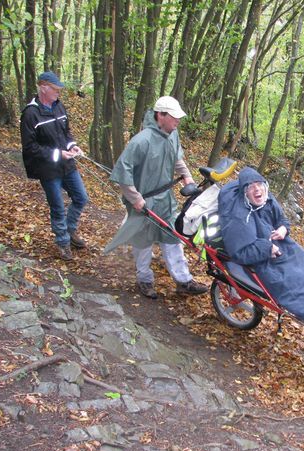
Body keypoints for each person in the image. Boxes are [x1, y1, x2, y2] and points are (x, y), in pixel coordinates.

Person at [218, 167, 304, 346]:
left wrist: (284, 229)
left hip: (287, 248)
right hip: (266, 262)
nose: (257, 190)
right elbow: (240, 253)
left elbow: (282, 220)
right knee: (299, 292)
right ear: (245, 192)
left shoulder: (267, 200)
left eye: (259, 184)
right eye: (251, 187)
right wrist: (267, 248)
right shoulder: (238, 217)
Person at [104, 96, 208, 298]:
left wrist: (187, 177)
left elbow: (177, 159)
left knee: (172, 237)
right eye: (174, 117)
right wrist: (135, 199)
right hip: (144, 202)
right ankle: (144, 279)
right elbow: (123, 175)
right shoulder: (141, 141)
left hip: (165, 199)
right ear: (160, 115)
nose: (178, 121)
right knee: (143, 241)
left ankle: (183, 280)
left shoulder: (173, 134)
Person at [20, 71, 88, 261]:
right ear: (43, 88)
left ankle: (70, 231)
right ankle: (63, 242)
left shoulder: (59, 107)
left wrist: (72, 146)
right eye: (55, 89)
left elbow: (66, 133)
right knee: (57, 207)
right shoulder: (31, 114)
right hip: (48, 169)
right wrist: (57, 154)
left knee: (81, 197)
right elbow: (30, 148)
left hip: (67, 165)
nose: (59, 92)